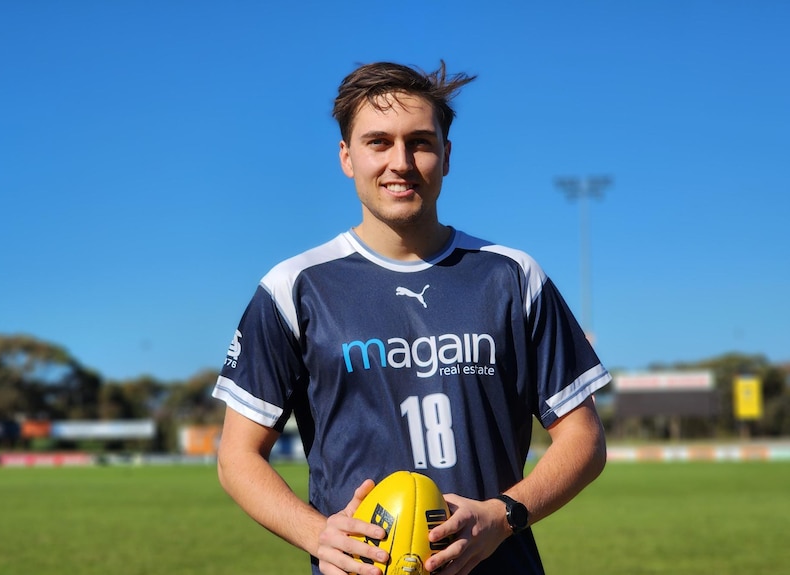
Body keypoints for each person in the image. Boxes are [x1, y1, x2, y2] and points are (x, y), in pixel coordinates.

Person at [212, 60, 611, 575]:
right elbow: (237, 456)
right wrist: (317, 534)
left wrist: (501, 515)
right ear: (346, 157)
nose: (400, 162)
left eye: (420, 142)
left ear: (445, 155)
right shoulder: (294, 287)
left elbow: (585, 439)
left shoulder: (512, 277)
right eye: (378, 142)